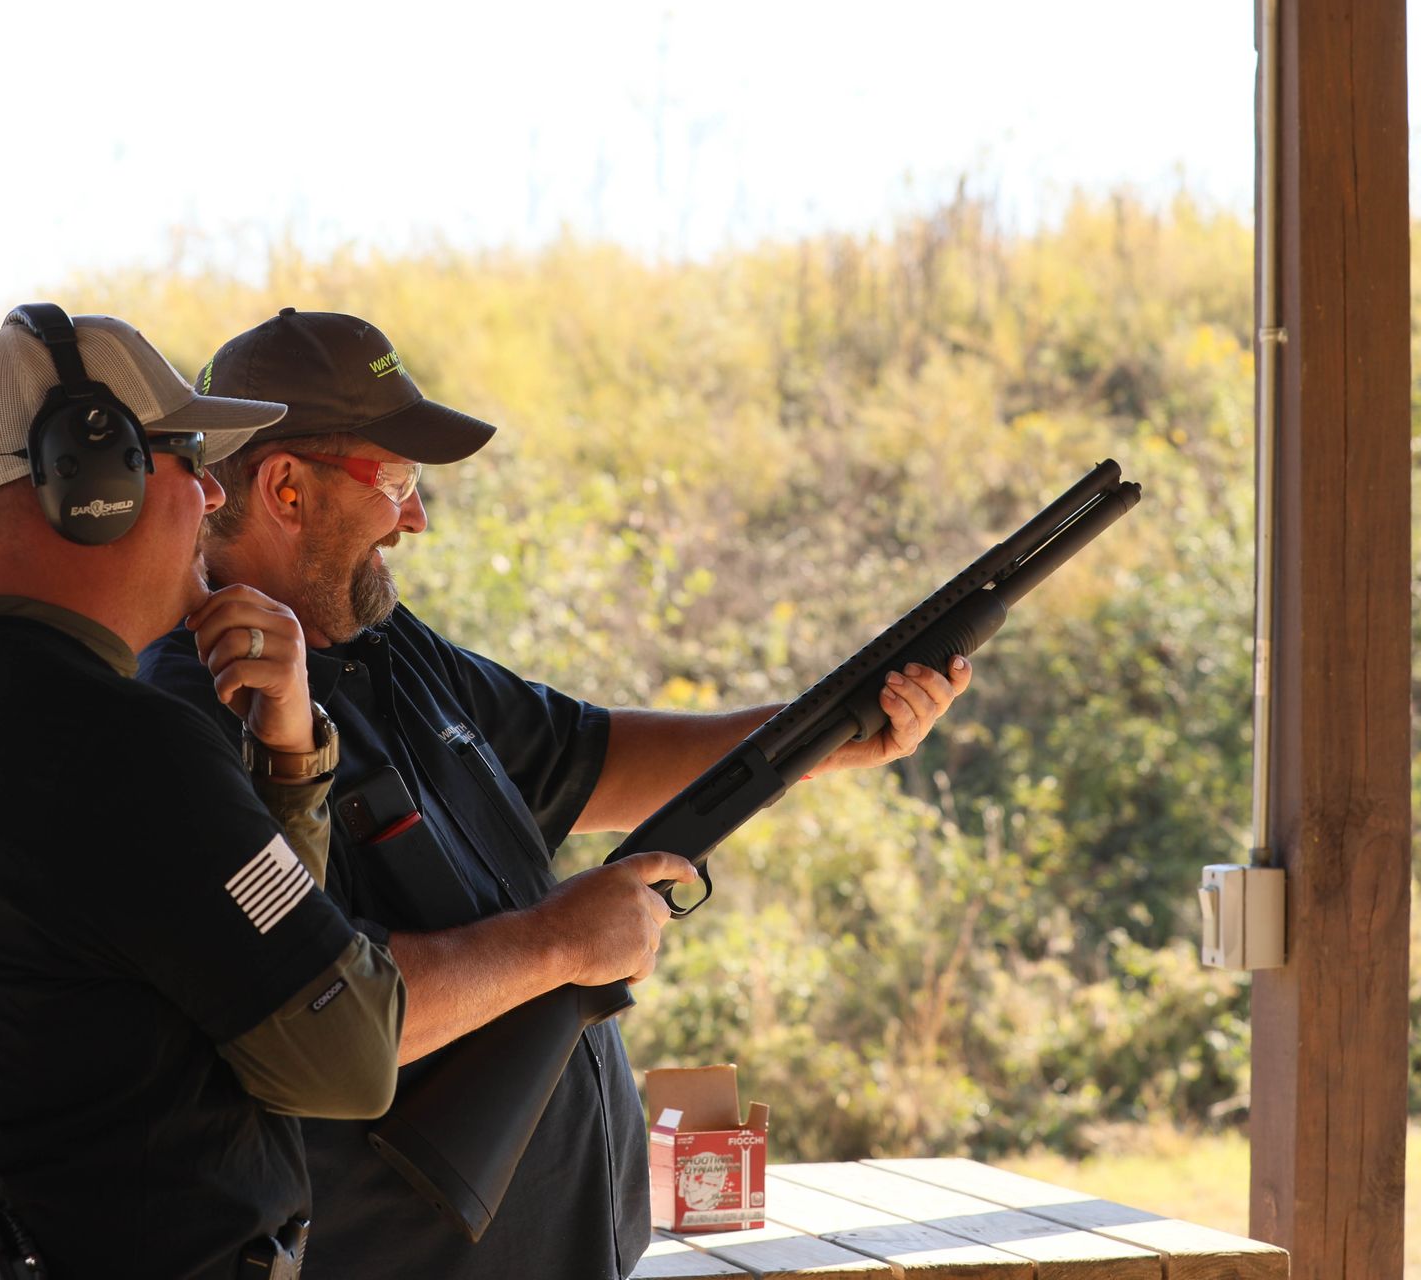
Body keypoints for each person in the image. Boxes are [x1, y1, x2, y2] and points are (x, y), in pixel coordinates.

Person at [138, 309, 971, 1280]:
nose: (416, 518)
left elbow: (596, 752)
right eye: (398, 483)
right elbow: (303, 996)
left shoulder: (386, 648)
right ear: (285, 486)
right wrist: (560, 941)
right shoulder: (197, 710)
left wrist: (831, 731)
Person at [0, 306, 403, 1279]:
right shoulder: (114, 745)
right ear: (96, 481)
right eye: (188, 455)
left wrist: (285, 751)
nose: (215, 491)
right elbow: (347, 1057)